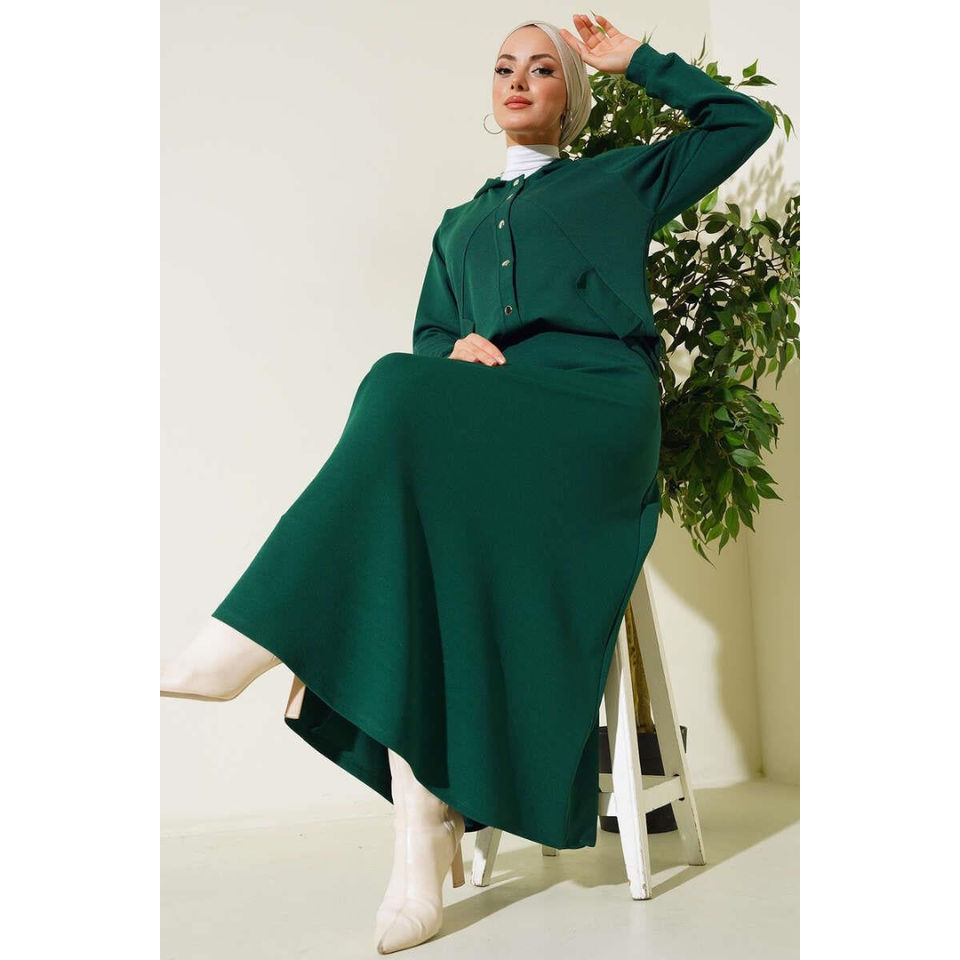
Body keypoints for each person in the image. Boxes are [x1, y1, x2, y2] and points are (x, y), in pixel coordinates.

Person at [161, 13, 774, 954]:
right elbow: (431, 340)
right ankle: (419, 841)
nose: (519, 80)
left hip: (596, 419)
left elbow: (743, 124)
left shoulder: (620, 178)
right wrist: (456, 349)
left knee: (391, 389)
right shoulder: (457, 228)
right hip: (500, 430)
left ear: (572, 96)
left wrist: (636, 62)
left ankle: (261, 632)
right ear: (490, 93)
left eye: (543, 69)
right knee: (412, 479)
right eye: (504, 67)